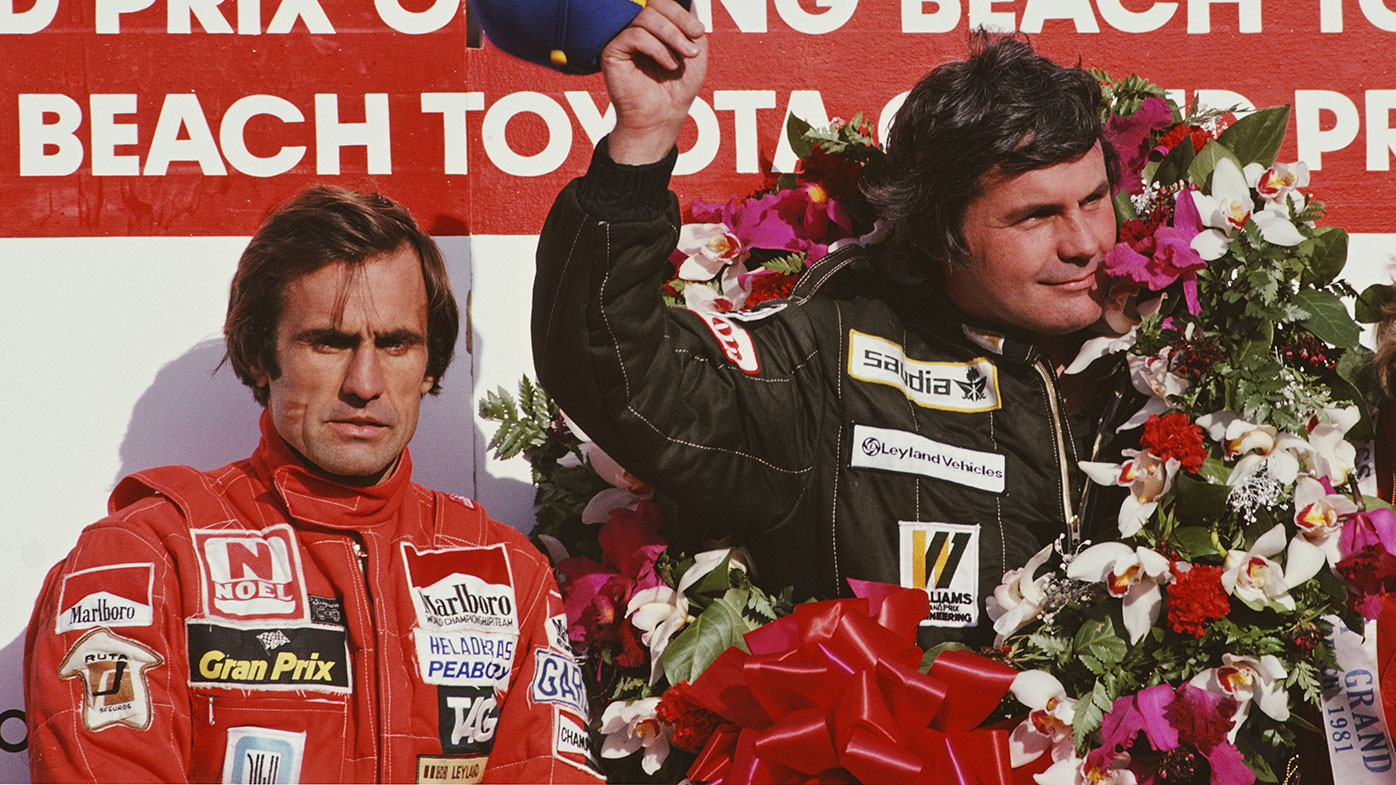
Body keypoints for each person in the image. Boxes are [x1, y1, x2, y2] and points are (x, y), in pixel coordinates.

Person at [532, 1, 1135, 648]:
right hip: (910, 746)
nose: (1084, 242)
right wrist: (642, 142)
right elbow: (616, 367)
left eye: (1094, 199)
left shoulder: (1181, 346)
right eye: (1036, 215)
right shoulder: (831, 363)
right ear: (940, 234)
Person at [25, 186, 603, 784]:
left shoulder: (507, 571)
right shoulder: (145, 557)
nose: (365, 382)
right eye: (329, 341)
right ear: (257, 353)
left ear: (430, 364)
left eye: (396, 343)